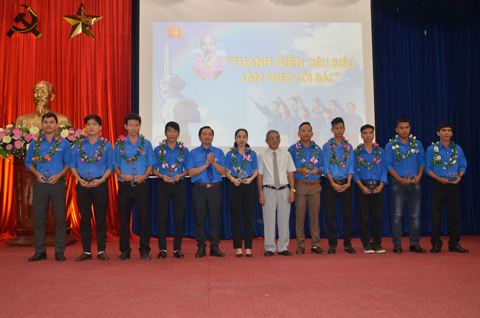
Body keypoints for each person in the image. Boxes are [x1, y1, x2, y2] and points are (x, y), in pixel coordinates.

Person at [24, 112, 71, 262]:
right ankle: (40, 251)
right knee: (38, 219)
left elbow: (69, 164)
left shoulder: (64, 143)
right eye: (46, 122)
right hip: (40, 183)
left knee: (60, 219)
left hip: (58, 183)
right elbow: (28, 163)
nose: (48, 124)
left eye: (51, 122)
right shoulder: (35, 143)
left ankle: (59, 252)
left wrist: (58, 175)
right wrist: (37, 174)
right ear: (42, 125)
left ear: (56, 126)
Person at [70, 115, 113, 261]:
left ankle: (101, 251)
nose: (91, 127)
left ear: (100, 127)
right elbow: (72, 165)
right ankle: (86, 251)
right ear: (85, 127)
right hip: (82, 184)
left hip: (100, 184)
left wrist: (101, 180)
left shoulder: (106, 145)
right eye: (88, 124)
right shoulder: (78, 145)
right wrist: (79, 179)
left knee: (100, 219)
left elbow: (110, 166)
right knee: (85, 219)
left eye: (94, 124)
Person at [113, 113, 156, 261]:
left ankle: (145, 250)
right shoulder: (119, 144)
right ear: (125, 126)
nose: (133, 128)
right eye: (130, 125)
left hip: (141, 186)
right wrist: (122, 175)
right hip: (125, 186)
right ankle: (125, 251)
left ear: (139, 126)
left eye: (136, 125)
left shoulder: (146, 144)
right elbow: (116, 167)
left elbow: (150, 165)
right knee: (124, 221)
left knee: (144, 219)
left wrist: (144, 176)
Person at [425, 122, 468, 253]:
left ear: (452, 133)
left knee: (453, 215)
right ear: (438, 133)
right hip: (438, 184)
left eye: (449, 130)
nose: (446, 133)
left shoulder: (457, 149)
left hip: (454, 185)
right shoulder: (432, 149)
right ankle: (436, 244)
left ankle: (454, 243)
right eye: (443, 130)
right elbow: (427, 168)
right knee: (436, 214)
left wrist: (460, 176)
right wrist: (438, 178)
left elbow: (462, 165)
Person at [385, 118, 426, 254]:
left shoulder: (417, 144)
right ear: (396, 129)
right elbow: (388, 165)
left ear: (410, 129)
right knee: (397, 214)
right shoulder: (390, 145)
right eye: (401, 128)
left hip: (415, 182)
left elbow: (422, 162)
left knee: (415, 215)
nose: (404, 130)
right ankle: (397, 244)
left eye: (406, 127)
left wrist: (419, 176)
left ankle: (414, 243)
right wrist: (398, 178)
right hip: (398, 182)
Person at [187, 126, 227, 258]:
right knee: (199, 218)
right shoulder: (193, 153)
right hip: (199, 189)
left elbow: (224, 172)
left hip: (215, 188)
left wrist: (213, 163)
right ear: (199, 137)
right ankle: (201, 247)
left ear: (213, 137)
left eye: (210, 134)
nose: (207, 136)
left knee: (215, 218)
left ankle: (215, 247)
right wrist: (205, 165)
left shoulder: (219, 152)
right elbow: (190, 172)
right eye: (204, 134)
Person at [152, 121, 189, 259]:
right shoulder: (158, 150)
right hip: (163, 185)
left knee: (179, 219)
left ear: (178, 133)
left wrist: (180, 175)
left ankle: (177, 249)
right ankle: (162, 249)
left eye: (174, 131)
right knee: (162, 219)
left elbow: (188, 170)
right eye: (169, 131)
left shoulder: (184, 150)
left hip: (178, 185)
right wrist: (162, 175)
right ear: (165, 132)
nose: (172, 134)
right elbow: (154, 169)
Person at [288, 122, 325, 255]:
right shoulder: (293, 149)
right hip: (300, 186)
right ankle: (301, 245)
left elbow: (323, 166)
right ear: (298, 133)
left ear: (312, 133)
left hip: (315, 185)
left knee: (315, 217)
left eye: (308, 131)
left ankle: (316, 245)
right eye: (303, 131)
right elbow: (289, 168)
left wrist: (319, 170)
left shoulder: (317, 149)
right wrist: (299, 170)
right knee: (300, 218)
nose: (306, 133)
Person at [258, 130, 296, 257]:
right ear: (266, 141)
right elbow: (260, 175)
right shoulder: (262, 156)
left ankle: (283, 247)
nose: (274, 141)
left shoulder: (286, 154)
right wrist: (260, 193)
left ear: (280, 140)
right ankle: (269, 247)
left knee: (284, 219)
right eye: (271, 138)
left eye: (276, 138)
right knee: (268, 219)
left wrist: (292, 190)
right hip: (268, 190)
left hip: (284, 190)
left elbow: (290, 173)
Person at [322, 117, 356, 254]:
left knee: (347, 215)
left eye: (341, 128)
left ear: (344, 129)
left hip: (346, 183)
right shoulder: (327, 146)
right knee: (330, 216)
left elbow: (351, 166)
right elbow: (326, 166)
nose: (339, 130)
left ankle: (348, 244)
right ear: (332, 130)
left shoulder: (349, 147)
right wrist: (332, 183)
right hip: (331, 183)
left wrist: (348, 183)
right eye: (336, 128)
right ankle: (332, 245)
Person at [354, 125, 388, 253]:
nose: (368, 135)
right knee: (364, 217)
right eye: (365, 133)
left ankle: (377, 243)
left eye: (370, 133)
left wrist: (381, 184)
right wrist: (361, 186)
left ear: (373, 135)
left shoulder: (381, 151)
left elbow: (384, 169)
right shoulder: (356, 152)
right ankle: (366, 243)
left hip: (378, 186)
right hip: (362, 186)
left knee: (377, 217)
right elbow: (354, 171)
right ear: (361, 135)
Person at [225, 129, 258, 257]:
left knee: (249, 217)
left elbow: (255, 171)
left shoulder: (252, 154)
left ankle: (248, 247)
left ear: (247, 138)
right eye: (239, 136)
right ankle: (238, 247)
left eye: (244, 137)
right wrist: (233, 179)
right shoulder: (230, 154)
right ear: (235, 138)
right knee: (236, 217)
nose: (241, 139)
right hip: (235, 186)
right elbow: (226, 171)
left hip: (248, 185)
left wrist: (250, 179)